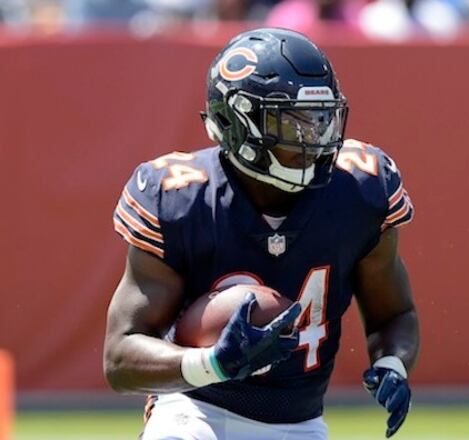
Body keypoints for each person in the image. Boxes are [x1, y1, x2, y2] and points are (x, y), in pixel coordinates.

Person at [103, 28, 419, 440]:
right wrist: (212, 363)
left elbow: (395, 314)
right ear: (235, 123)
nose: (316, 138)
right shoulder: (181, 198)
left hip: (301, 423)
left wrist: (392, 362)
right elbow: (120, 357)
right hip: (194, 411)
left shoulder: (359, 189)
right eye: (291, 122)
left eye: (321, 118)